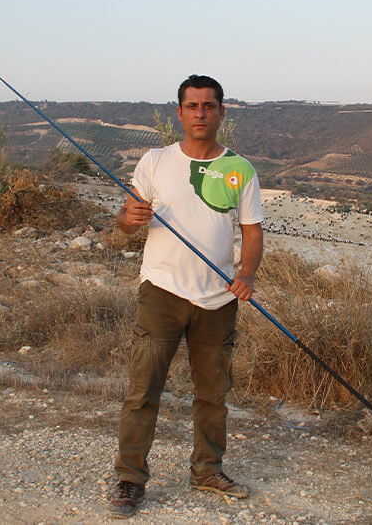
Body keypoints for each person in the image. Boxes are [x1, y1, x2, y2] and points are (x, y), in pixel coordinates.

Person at [108, 75, 264, 519]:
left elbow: (252, 232)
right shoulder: (154, 161)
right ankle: (130, 480)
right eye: (192, 106)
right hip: (161, 292)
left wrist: (247, 273)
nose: (200, 113)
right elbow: (126, 218)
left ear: (221, 113)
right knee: (143, 391)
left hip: (218, 300)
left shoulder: (241, 169)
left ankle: (208, 471)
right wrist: (128, 217)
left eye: (208, 106)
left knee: (214, 394)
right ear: (179, 113)